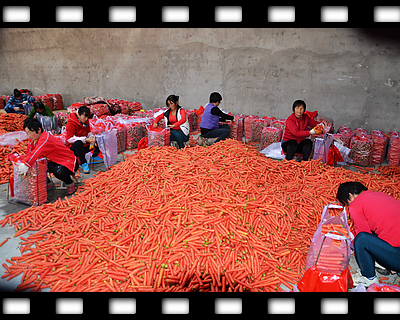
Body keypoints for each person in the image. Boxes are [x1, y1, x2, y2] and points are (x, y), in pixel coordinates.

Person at [336, 181, 400, 287]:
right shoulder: (379, 195)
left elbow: (363, 233)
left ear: (350, 195)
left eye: (347, 202)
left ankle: (368, 277)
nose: (349, 205)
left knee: (361, 240)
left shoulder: (355, 205)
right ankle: (384, 264)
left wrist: (351, 244)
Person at [17, 118, 79, 195]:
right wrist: (25, 162)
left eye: (30, 132)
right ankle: (48, 183)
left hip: (68, 161)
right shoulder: (33, 139)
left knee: (59, 171)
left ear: (39, 130)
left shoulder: (45, 138)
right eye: (27, 133)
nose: (29, 136)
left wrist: (26, 164)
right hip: (54, 161)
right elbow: (30, 152)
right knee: (37, 166)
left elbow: (37, 152)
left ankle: (69, 183)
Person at [65, 106, 102, 174]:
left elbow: (88, 132)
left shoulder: (85, 121)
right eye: (84, 117)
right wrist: (85, 139)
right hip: (74, 147)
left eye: (87, 117)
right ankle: (83, 163)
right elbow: (70, 139)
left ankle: (94, 156)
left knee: (97, 138)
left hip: (84, 144)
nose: (86, 119)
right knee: (78, 143)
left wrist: (91, 137)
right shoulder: (71, 123)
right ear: (78, 114)